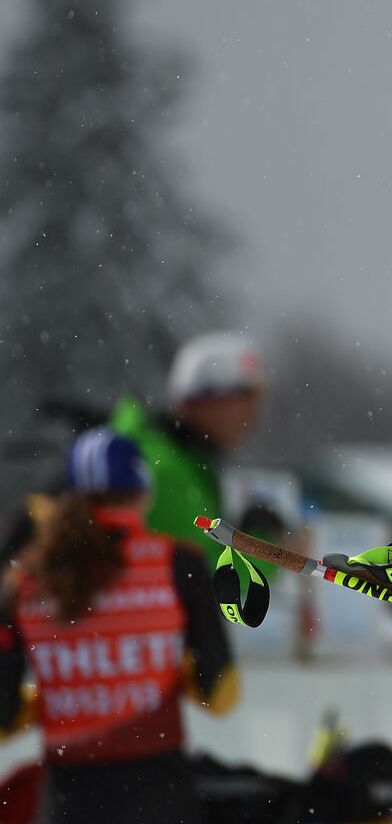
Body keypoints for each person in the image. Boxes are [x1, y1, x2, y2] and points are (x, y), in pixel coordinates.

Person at [0, 428, 238, 823]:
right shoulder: (179, 564)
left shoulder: (26, 580)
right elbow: (221, 692)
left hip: (67, 804)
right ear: (142, 493)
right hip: (160, 800)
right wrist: (155, 678)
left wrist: (61, 699)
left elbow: (3, 718)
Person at [109, 331, 268, 567]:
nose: (252, 417)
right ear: (206, 399)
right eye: (244, 400)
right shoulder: (166, 472)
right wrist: (268, 549)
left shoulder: (176, 458)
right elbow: (201, 578)